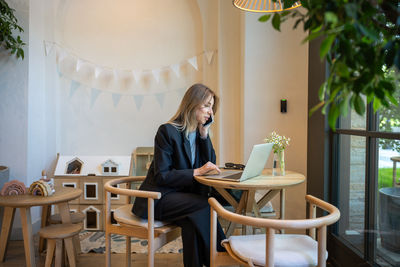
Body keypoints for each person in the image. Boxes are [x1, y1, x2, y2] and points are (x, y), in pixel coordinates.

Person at [132, 83, 226, 267]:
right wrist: (196, 172)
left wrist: (205, 134)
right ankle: (223, 255)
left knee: (192, 222)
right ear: (192, 104)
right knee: (204, 205)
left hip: (181, 200)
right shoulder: (167, 131)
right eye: (206, 105)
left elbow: (210, 163)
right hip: (158, 197)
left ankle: (211, 260)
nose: (210, 112)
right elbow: (162, 176)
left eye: (212, 107)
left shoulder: (198, 133)